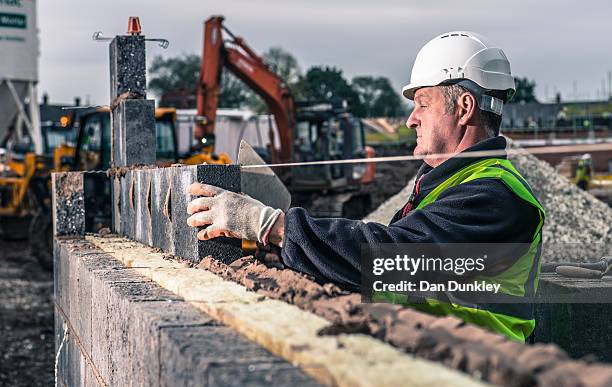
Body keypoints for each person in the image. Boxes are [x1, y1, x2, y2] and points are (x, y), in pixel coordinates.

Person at [185, 31, 545, 342]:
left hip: (476, 375)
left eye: (423, 103)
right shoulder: (451, 183)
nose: (410, 119)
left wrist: (274, 227)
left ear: (464, 108)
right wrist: (285, 247)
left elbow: (388, 259)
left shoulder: (494, 196)